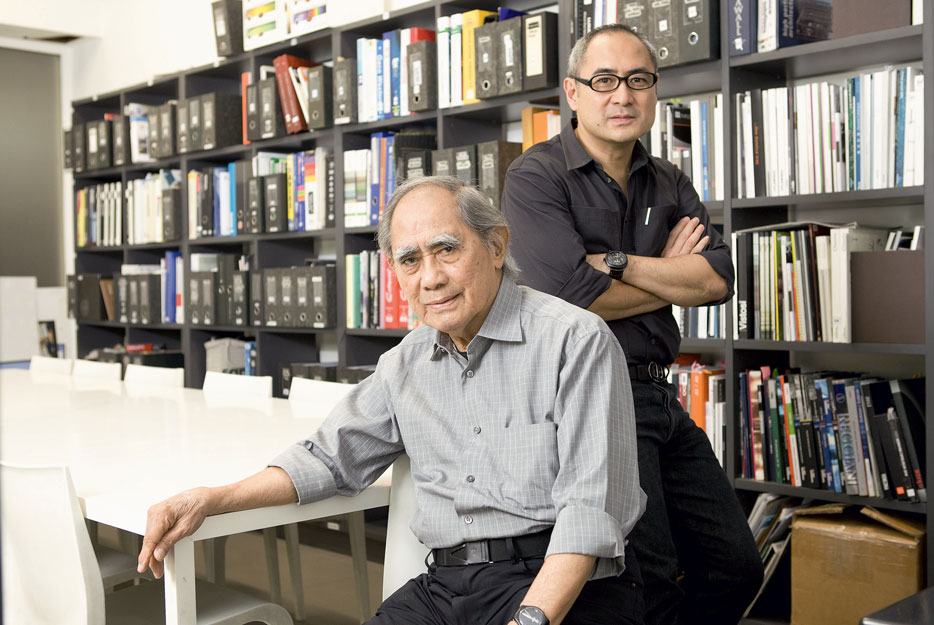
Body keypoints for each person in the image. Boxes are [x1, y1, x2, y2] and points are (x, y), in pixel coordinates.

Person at [138, 175, 646, 625]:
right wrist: (211, 499)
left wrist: (531, 619)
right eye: (409, 260)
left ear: (496, 246)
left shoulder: (575, 340)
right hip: (444, 590)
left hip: (561, 585)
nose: (430, 277)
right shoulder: (405, 362)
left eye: (447, 249)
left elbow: (590, 511)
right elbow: (329, 458)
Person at [500, 23, 763, 625]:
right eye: (605, 80)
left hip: (658, 391)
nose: (623, 95)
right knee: (652, 573)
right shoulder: (536, 177)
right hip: (589, 397)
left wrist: (621, 266)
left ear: (654, 90)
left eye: (638, 80)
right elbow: (569, 296)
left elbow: (719, 281)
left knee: (736, 565)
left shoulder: (667, 179)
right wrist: (672, 274)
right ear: (573, 92)